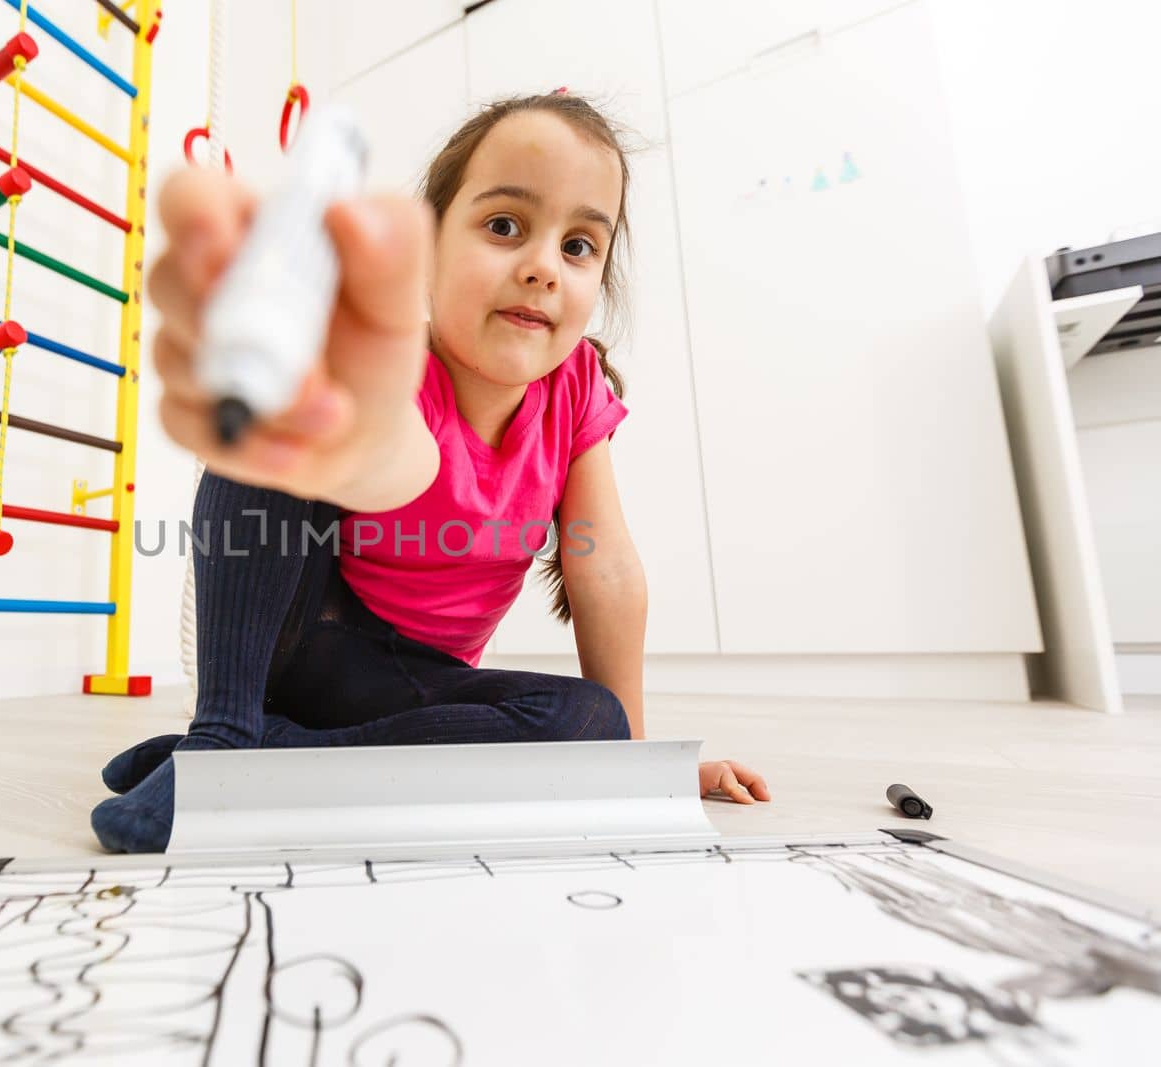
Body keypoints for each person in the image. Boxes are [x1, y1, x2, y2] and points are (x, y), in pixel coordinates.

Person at [94, 92, 770, 853]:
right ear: (430, 248)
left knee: (590, 725)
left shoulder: (577, 387)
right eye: (504, 226)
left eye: (579, 245)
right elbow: (399, 453)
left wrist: (637, 768)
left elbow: (605, 567)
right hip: (294, 640)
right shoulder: (388, 367)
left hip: (406, 686)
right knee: (281, 423)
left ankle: (263, 754)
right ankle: (223, 735)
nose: (543, 266)